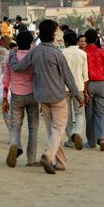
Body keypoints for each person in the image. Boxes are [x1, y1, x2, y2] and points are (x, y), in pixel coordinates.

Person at [9, 20, 81, 174]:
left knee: (52, 131)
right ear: (53, 34)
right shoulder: (57, 53)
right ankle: (48, 155)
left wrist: (12, 55)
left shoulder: (34, 52)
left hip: (42, 97)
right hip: (57, 96)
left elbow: (18, 67)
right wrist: (78, 95)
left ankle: (60, 162)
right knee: (59, 129)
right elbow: (68, 78)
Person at [3, 31, 39, 167]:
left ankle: (14, 144)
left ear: (17, 42)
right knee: (33, 128)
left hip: (16, 95)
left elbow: (6, 79)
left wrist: (4, 97)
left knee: (15, 126)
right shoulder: (33, 57)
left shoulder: (11, 57)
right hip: (33, 94)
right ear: (30, 42)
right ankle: (31, 159)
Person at [84, 28, 104, 151]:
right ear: (96, 39)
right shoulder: (102, 53)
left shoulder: (84, 53)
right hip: (101, 84)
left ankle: (91, 141)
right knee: (102, 113)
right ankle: (102, 138)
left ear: (85, 39)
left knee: (89, 114)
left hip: (88, 85)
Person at [62, 30, 89, 150]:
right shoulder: (82, 54)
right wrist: (86, 92)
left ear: (66, 41)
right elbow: (85, 75)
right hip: (79, 87)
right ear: (76, 41)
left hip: (64, 87)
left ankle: (71, 138)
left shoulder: (62, 53)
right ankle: (77, 132)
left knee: (67, 115)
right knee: (80, 113)